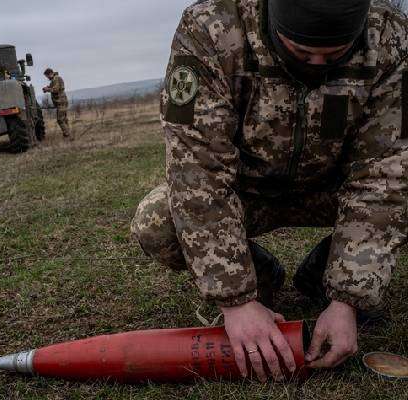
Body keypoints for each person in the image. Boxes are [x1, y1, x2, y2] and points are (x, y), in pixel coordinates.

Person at [131, 0, 407, 382]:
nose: (316, 65)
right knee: (156, 222)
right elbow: (199, 172)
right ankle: (261, 279)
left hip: (330, 190)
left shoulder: (390, 37)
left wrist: (348, 299)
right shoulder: (212, 29)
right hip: (246, 193)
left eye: (333, 54)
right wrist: (237, 300)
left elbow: (385, 175)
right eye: (300, 51)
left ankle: (325, 276)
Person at [43, 68, 71, 139]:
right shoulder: (54, 79)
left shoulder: (56, 78)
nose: (47, 78)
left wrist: (47, 89)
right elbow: (54, 87)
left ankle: (67, 134)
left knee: (60, 119)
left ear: (50, 73)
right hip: (61, 102)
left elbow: (56, 89)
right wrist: (48, 87)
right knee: (64, 119)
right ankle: (68, 134)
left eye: (47, 76)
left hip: (61, 102)